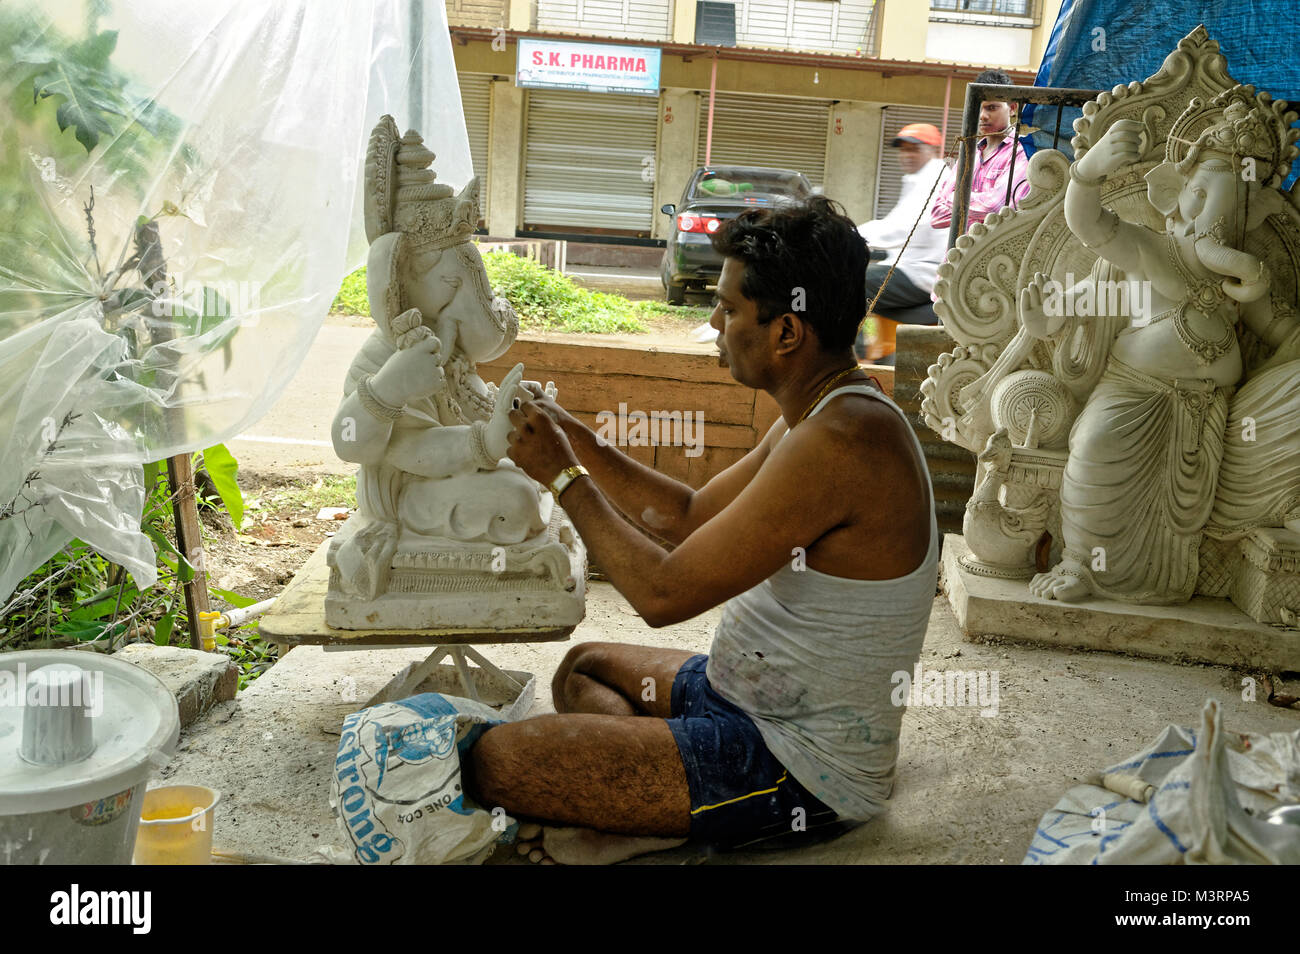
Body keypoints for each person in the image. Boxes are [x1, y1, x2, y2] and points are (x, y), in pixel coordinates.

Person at [463, 196, 939, 861]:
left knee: (495, 763)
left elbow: (664, 594)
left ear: (787, 333)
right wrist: (576, 439)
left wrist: (563, 477)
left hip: (796, 765)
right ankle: (646, 814)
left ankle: (667, 811)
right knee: (584, 668)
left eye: (730, 308)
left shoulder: (844, 441)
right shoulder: (822, 411)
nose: (714, 321)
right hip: (733, 693)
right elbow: (688, 518)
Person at [855, 122, 949, 358]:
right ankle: (878, 351)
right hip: (910, 265)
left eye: (914, 149)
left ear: (933, 150)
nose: (907, 155)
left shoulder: (935, 180)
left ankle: (854, 354)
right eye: (903, 149)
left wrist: (850, 235)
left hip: (923, 273)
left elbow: (903, 228)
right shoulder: (917, 180)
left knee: (852, 281)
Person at [930, 69, 1031, 232]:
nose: (983, 116)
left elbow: (997, 206)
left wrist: (955, 200)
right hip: (958, 255)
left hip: (995, 255)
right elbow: (936, 216)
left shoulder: (1021, 152)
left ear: (1012, 108)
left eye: (991, 108)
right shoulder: (970, 154)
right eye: (979, 108)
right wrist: (979, 208)